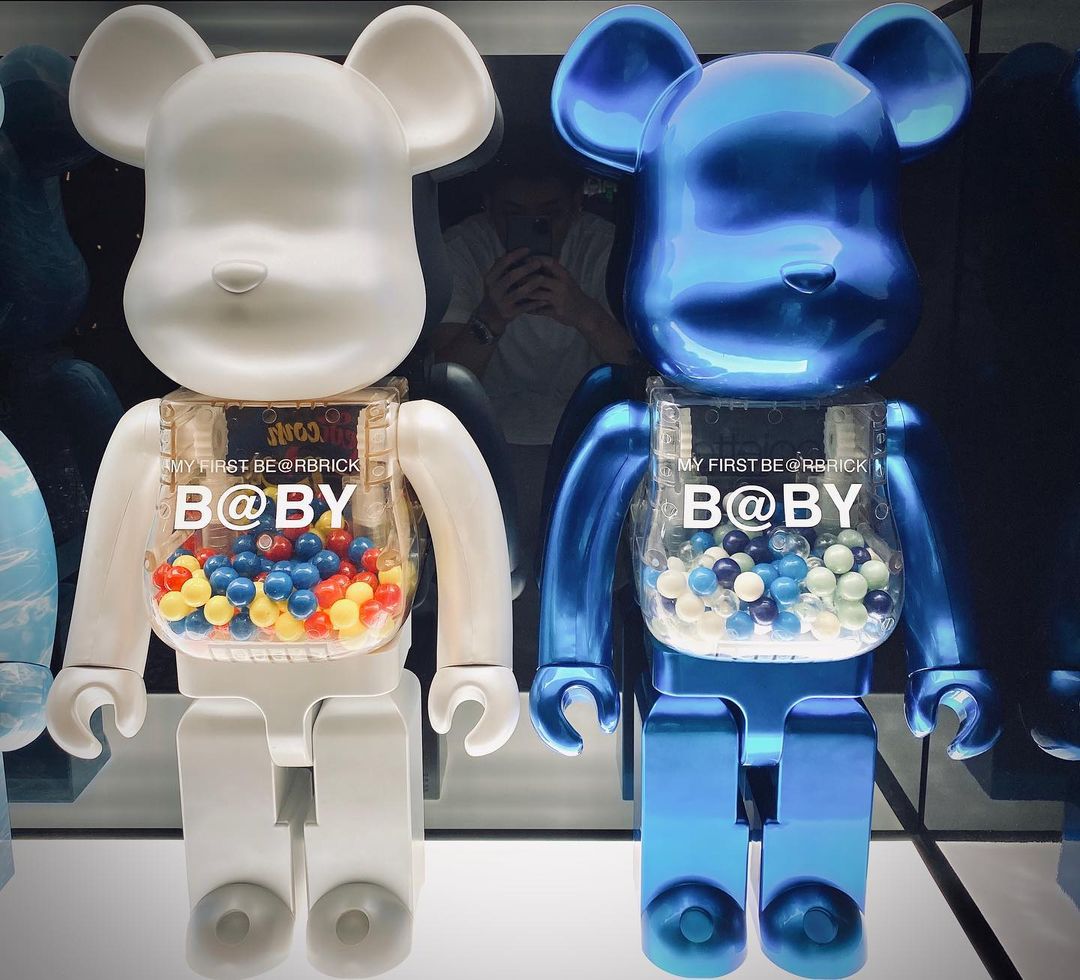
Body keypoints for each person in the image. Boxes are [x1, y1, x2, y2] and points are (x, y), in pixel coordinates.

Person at [433, 154, 631, 447]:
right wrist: (490, 318)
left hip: (591, 427)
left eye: (550, 214)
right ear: (489, 206)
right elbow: (442, 384)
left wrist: (584, 313)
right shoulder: (461, 249)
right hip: (482, 426)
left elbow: (640, 373)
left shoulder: (606, 248)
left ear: (576, 204)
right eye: (514, 214)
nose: (534, 225)